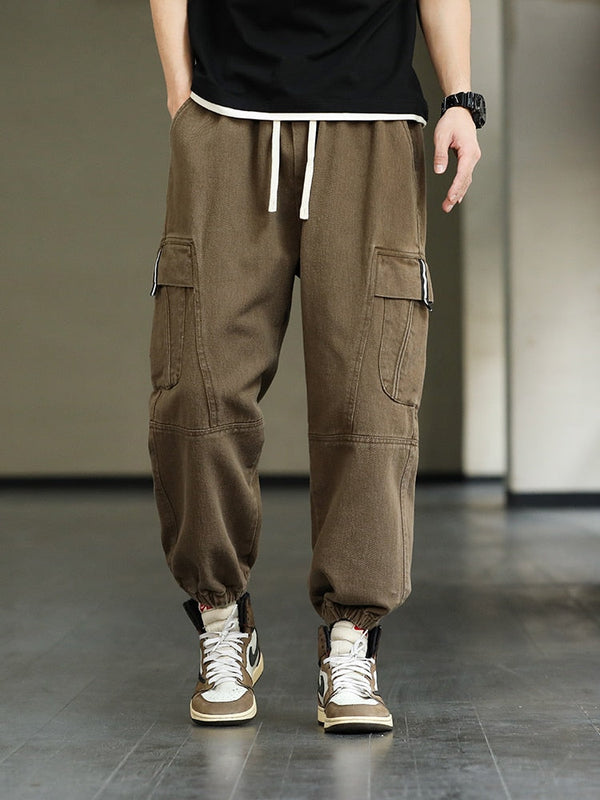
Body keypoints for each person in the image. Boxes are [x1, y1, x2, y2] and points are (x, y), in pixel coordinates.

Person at [148, 0, 484, 734]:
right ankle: (220, 618)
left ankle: (352, 640)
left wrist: (460, 95)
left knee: (371, 399)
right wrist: (181, 95)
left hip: (370, 121)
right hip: (226, 113)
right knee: (196, 391)